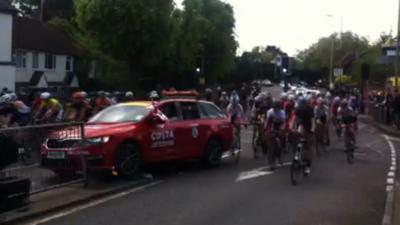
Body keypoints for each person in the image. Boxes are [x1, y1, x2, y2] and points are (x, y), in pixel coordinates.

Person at [293, 97, 315, 174]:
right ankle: (296, 154)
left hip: (308, 126)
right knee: (297, 138)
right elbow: (295, 119)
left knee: (308, 147)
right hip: (301, 125)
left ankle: (308, 166)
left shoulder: (310, 109)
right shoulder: (298, 109)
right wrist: (293, 128)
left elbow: (312, 120)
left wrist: (312, 129)